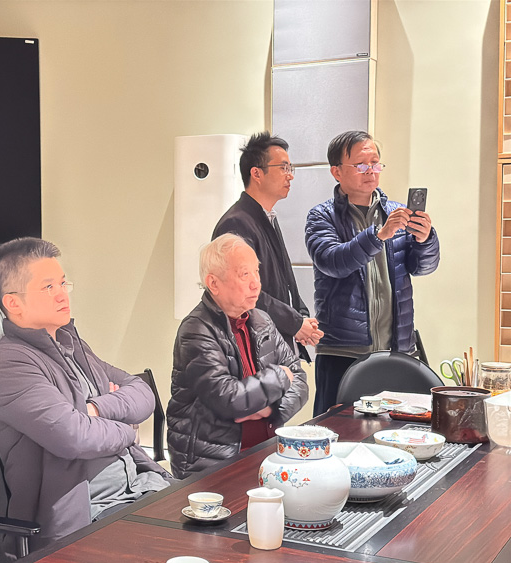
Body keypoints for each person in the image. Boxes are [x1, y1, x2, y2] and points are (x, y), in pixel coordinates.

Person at [0, 238, 171, 556]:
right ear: (13, 303)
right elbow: (73, 437)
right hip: (87, 517)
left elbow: (142, 392)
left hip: (140, 486)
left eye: (62, 283)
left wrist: (95, 408)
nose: (62, 294)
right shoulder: (10, 363)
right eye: (48, 287)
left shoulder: (71, 344)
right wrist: (128, 431)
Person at [305, 131, 440, 416]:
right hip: (343, 351)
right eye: (361, 165)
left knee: (396, 430)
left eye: (375, 163)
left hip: (396, 349)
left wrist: (425, 239)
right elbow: (333, 262)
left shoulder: (397, 212)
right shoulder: (322, 216)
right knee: (337, 429)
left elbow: (423, 267)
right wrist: (378, 235)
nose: (370, 171)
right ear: (336, 172)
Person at [167, 234, 307, 479]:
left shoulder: (262, 320)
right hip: (212, 463)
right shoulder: (196, 329)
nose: (256, 283)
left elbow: (301, 380)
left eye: (256, 272)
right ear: (214, 283)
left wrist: (271, 410)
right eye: (244, 274)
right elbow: (229, 399)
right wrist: (279, 377)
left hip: (265, 453)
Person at [213, 131, 322, 360]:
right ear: (256, 173)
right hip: (256, 346)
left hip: (277, 340)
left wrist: (301, 317)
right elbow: (245, 291)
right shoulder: (236, 223)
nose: (290, 176)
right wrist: (294, 322)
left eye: (290, 168)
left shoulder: (267, 217)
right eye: (283, 168)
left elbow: (284, 278)